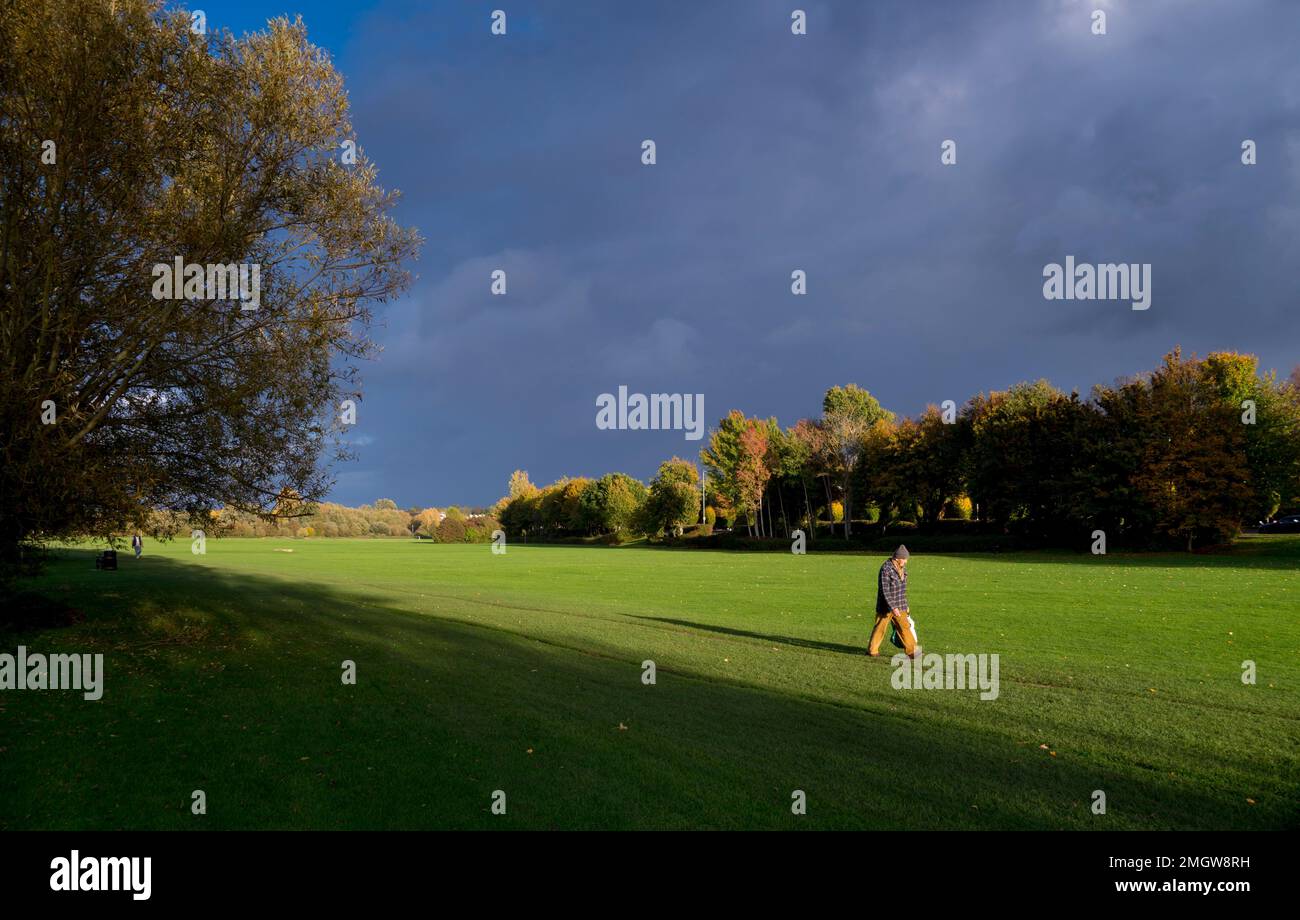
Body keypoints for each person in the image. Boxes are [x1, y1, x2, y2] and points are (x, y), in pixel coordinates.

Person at [869, 545, 919, 658]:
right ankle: (872, 650)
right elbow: (885, 591)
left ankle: (913, 652)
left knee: (905, 627)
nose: (906, 561)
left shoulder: (902, 569)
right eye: (904, 559)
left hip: (900, 605)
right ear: (897, 558)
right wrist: (893, 607)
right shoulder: (886, 569)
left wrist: (906, 606)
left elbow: (902, 590)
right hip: (885, 607)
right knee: (879, 628)